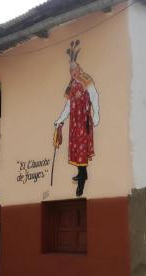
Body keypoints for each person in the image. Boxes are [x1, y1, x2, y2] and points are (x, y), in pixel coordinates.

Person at [54, 40, 100, 197]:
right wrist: (60, 119)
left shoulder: (86, 79)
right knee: (76, 150)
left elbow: (94, 96)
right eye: (71, 73)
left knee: (82, 149)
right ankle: (83, 173)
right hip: (74, 123)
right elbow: (68, 105)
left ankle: (81, 182)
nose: (74, 75)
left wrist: (97, 113)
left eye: (75, 71)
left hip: (84, 121)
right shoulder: (71, 84)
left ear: (80, 69)